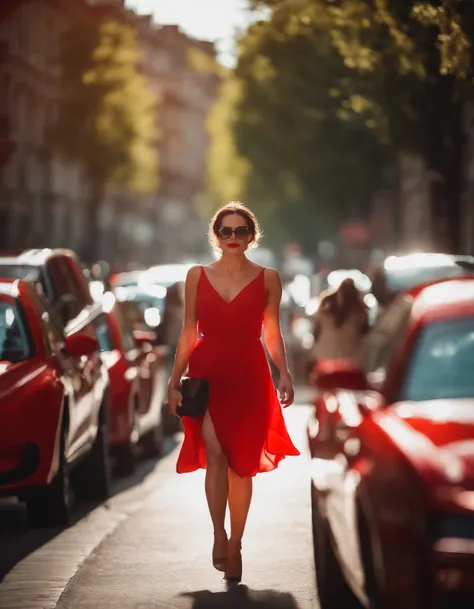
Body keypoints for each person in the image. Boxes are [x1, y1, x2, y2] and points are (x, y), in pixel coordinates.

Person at [167, 201, 300, 584]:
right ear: (216, 235)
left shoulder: (269, 277)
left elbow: (272, 332)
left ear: (252, 236)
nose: (233, 238)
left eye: (241, 231)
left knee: (243, 464)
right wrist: (173, 380)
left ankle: (237, 541)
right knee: (215, 452)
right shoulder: (196, 275)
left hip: (250, 374)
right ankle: (218, 533)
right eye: (225, 231)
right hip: (208, 373)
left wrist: (285, 374)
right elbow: (189, 332)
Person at [312, 277, 369, 364]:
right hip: (350, 366)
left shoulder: (324, 313)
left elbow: (315, 335)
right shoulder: (360, 315)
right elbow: (366, 337)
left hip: (325, 363)